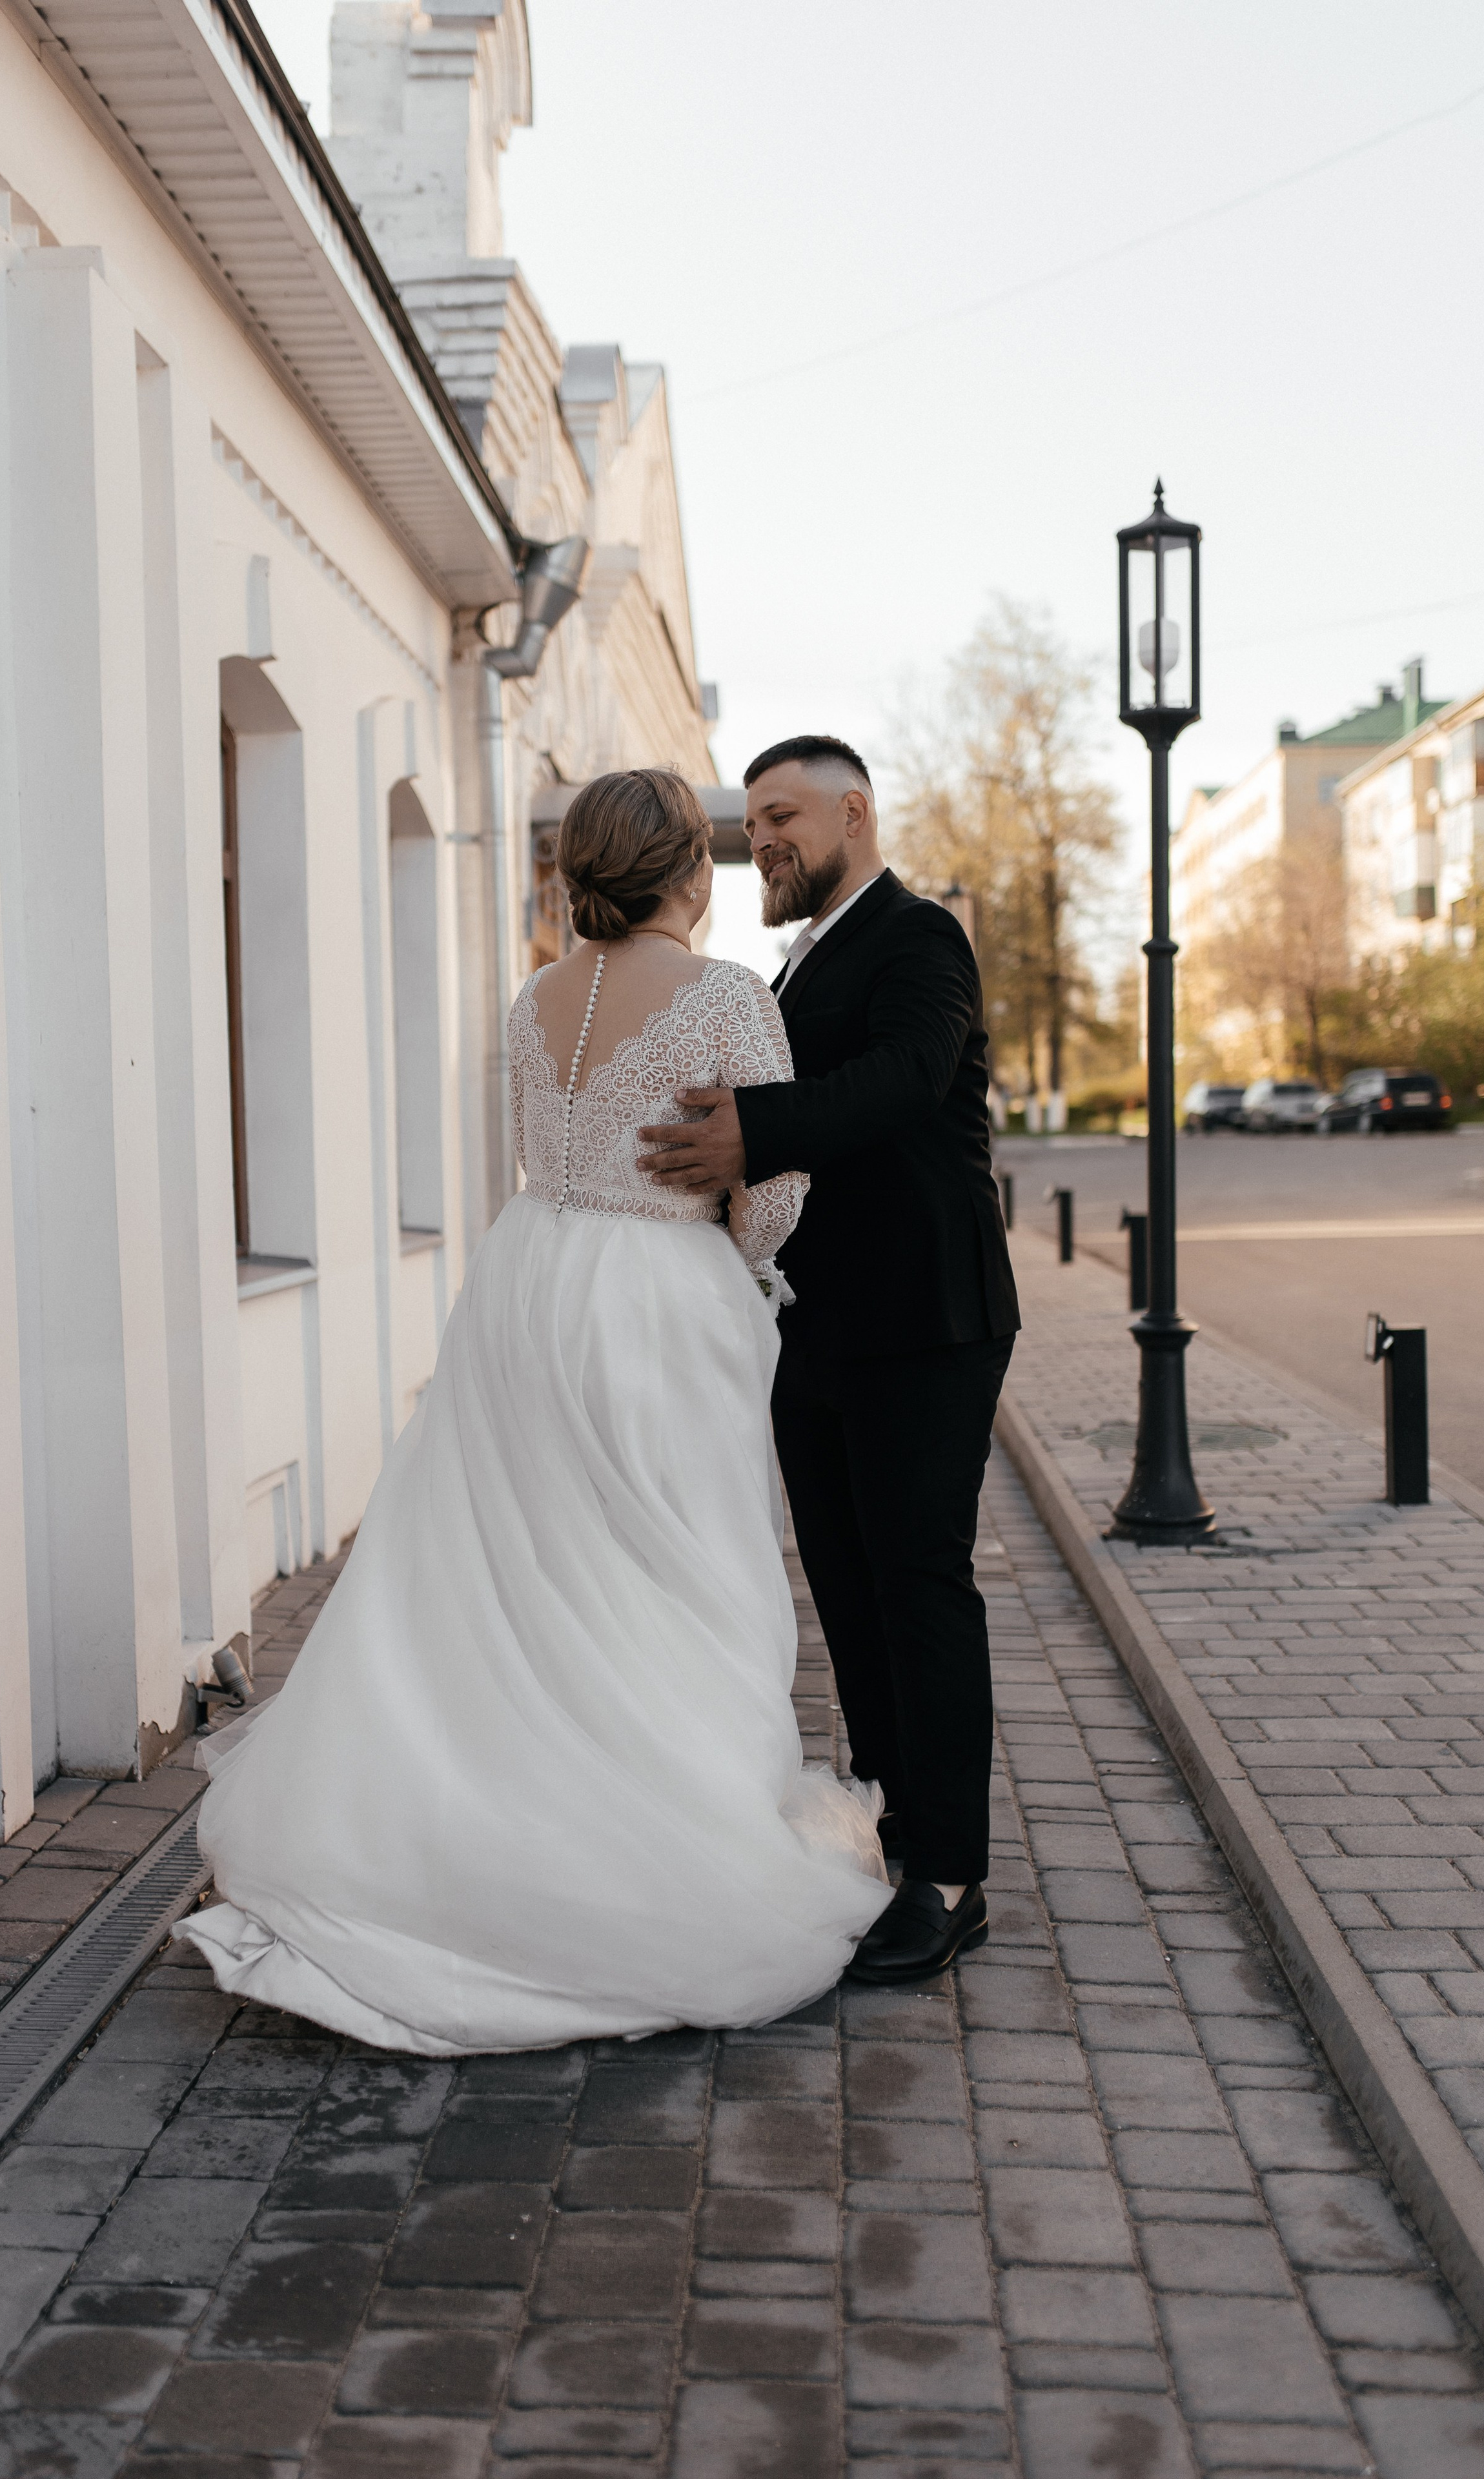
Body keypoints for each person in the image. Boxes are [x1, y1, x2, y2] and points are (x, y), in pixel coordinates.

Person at [178, 769, 889, 2053]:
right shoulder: (726, 997)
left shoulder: (532, 998)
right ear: (688, 869)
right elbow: (769, 1196)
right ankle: (645, 1859)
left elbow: (526, 1149)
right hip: (659, 1293)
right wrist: (744, 1270)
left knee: (519, 1559)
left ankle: (484, 1825)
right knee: (673, 1572)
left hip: (532, 1278)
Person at [637, 735, 1019, 1985]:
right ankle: (892, 1828)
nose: (767, 840)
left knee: (917, 1588)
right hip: (815, 1325)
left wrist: (752, 1131)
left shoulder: (919, 939)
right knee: (849, 1597)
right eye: (755, 822)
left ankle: (951, 1879)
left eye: (785, 815)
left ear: (853, 814)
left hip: (925, 1319)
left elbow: (904, 1082)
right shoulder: (792, 968)